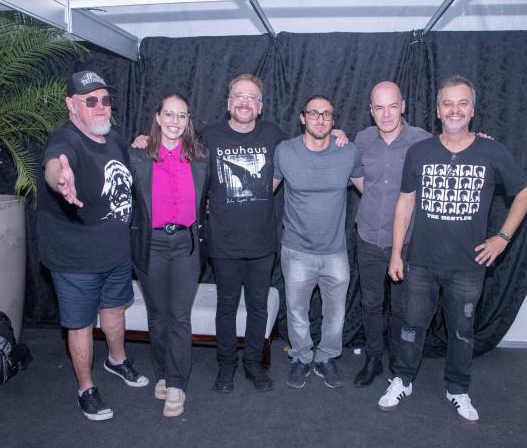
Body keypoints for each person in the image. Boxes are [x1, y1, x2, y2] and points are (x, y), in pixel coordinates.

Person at [381, 75, 527, 422]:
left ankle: (458, 388)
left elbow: (525, 192)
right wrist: (396, 253)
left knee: (462, 332)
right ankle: (402, 380)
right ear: (438, 110)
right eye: (447, 103)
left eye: (462, 103)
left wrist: (502, 237)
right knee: (411, 325)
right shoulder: (419, 152)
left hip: (468, 266)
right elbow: (405, 204)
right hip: (421, 262)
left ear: (472, 110)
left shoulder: (491, 152)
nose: (454, 110)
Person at [203, 74, 350, 393]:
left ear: (261, 106)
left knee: (258, 307)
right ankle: (226, 365)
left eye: (252, 97)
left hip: (262, 242)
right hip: (223, 240)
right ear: (228, 102)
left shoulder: (275, 138)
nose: (244, 102)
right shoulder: (208, 136)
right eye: (238, 96)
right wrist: (145, 139)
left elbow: (312, 138)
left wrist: (335, 133)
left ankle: (253, 364)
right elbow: (175, 152)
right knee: (226, 307)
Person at [37, 70, 148, 422]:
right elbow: (56, 163)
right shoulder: (65, 139)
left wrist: (141, 146)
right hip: (76, 259)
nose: (100, 106)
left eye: (105, 99)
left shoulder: (113, 138)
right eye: (90, 100)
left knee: (114, 309)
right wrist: (60, 178)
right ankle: (86, 387)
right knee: (81, 323)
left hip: (115, 252)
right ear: (71, 106)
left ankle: (117, 360)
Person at [273, 95, 364, 389]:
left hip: (335, 251)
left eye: (326, 114)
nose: (320, 119)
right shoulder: (285, 151)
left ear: (333, 120)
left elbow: (371, 190)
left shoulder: (347, 152)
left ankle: (326, 357)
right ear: (302, 117)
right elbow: (263, 191)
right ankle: (301, 357)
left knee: (335, 315)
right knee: (297, 312)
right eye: (313, 113)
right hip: (296, 250)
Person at [129, 94, 209, 417]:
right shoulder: (137, 155)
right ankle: (162, 372)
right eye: (169, 114)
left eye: (182, 115)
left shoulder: (201, 157)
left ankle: (177, 385)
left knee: (179, 317)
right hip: (152, 244)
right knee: (158, 317)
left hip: (187, 245)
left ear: (188, 120)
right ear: (158, 117)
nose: (175, 121)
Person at [352, 82, 431, 387]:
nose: (386, 114)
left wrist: (480, 141)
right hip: (368, 236)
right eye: (379, 107)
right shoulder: (362, 140)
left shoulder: (422, 140)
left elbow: (455, 150)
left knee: (401, 307)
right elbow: (356, 176)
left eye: (392, 106)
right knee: (371, 303)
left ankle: (399, 362)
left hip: (407, 241)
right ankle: (373, 359)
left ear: (403, 106)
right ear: (371, 111)